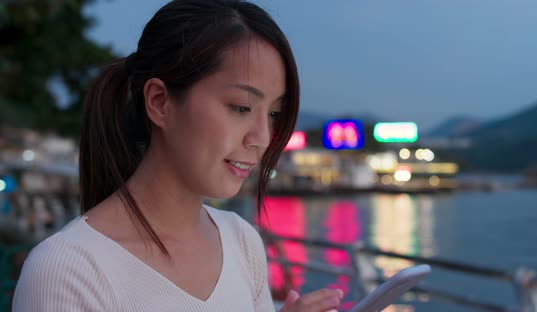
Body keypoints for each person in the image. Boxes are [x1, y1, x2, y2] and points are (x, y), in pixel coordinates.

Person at [12, 1, 344, 311]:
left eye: (273, 114)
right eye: (241, 107)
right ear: (159, 102)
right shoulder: (68, 270)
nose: (262, 137)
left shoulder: (242, 241)